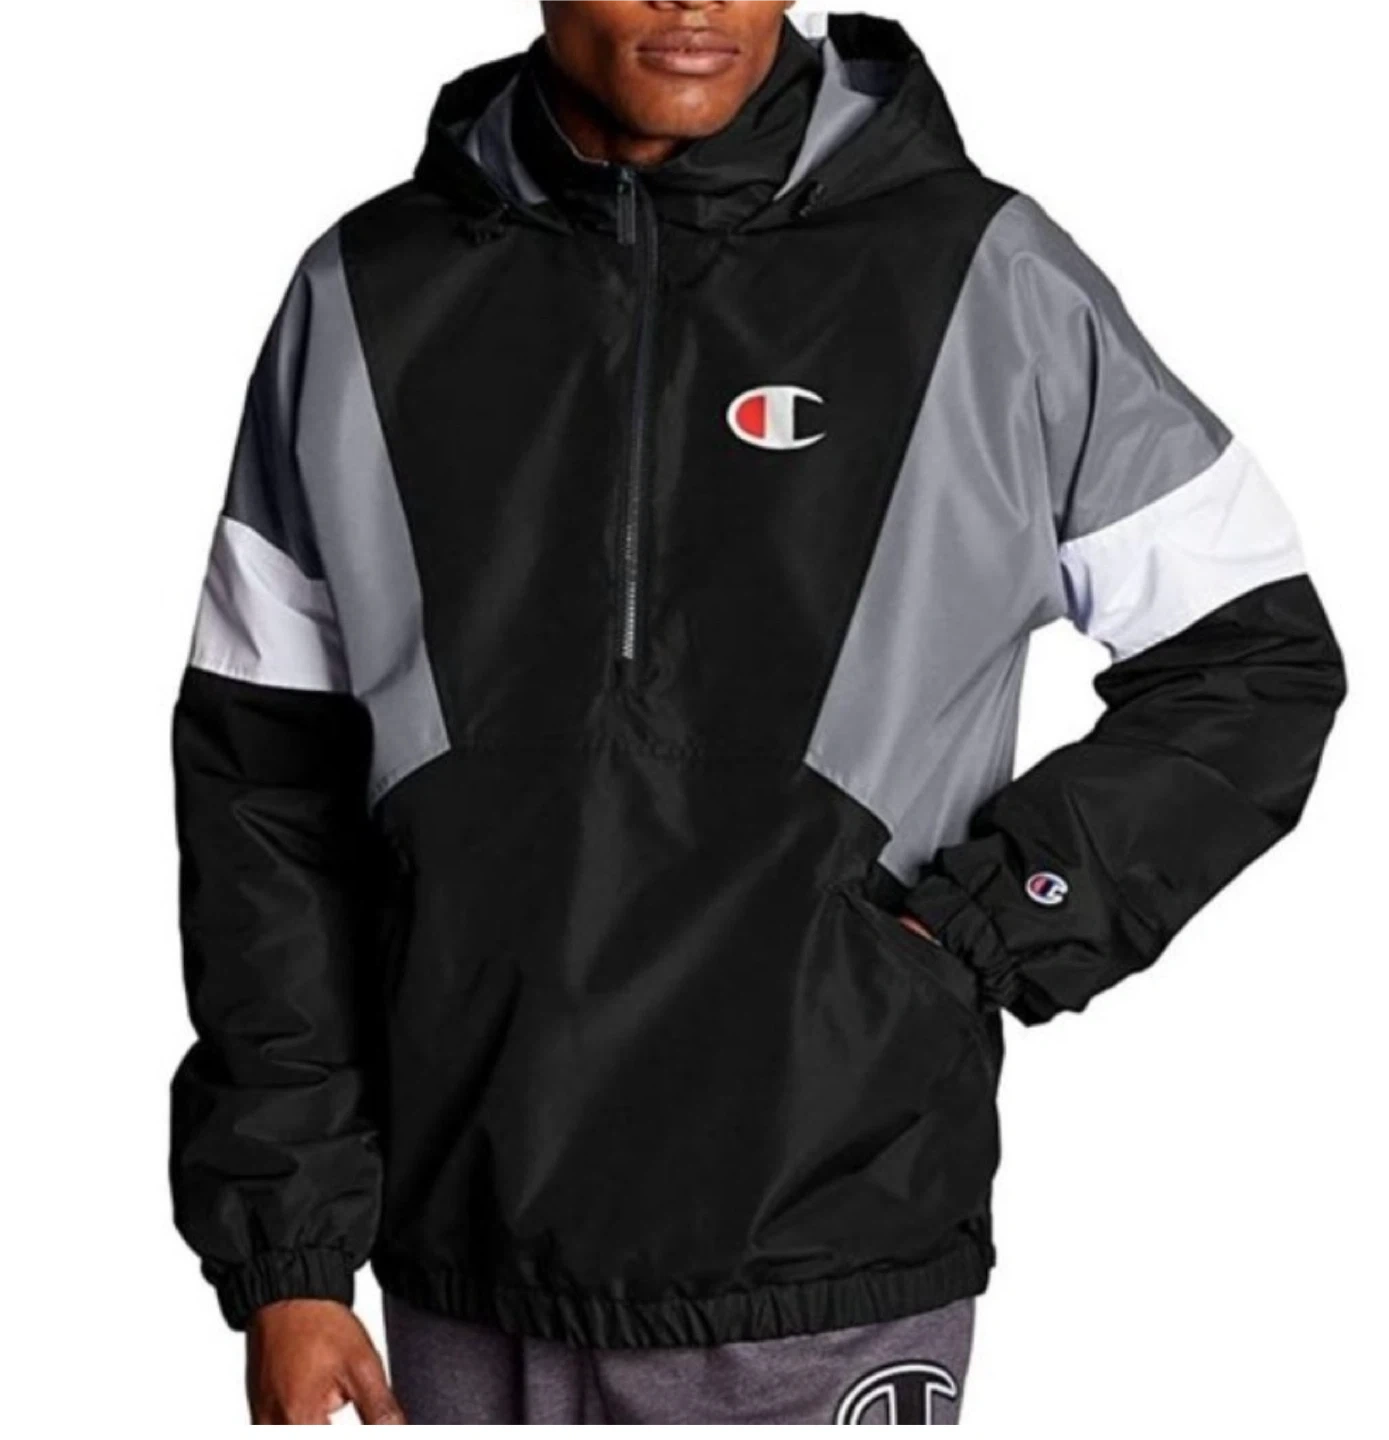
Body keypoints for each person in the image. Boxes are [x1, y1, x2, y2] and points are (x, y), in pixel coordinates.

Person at [170, 0, 1345, 1424]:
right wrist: (289, 1254)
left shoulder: (980, 272)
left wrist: (992, 924)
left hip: (828, 1228)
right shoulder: (367, 292)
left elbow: (1252, 660)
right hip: (462, 1238)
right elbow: (264, 795)